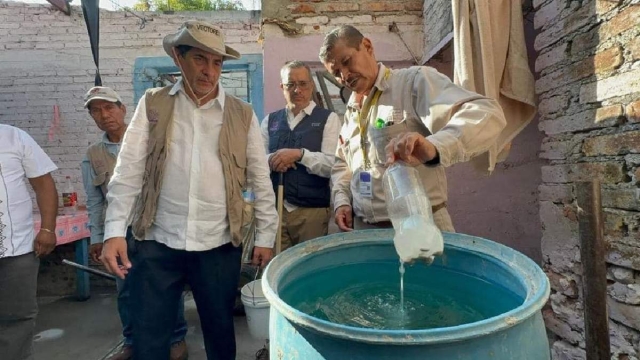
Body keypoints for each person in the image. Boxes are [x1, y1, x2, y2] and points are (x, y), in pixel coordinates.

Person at [100, 20, 278, 360]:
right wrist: (113, 232)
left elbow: (259, 179)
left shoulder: (242, 115)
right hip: (157, 241)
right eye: (200, 59)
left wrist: (266, 237)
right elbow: (128, 171)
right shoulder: (153, 104)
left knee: (220, 333)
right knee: (150, 335)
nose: (209, 71)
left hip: (218, 242)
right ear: (179, 58)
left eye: (216, 62)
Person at [319, 25, 507, 232]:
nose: (344, 76)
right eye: (336, 73)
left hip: (421, 226)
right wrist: (342, 201)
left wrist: (435, 147)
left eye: (346, 62)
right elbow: (342, 164)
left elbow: (485, 113)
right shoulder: (351, 111)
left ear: (367, 46)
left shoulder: (412, 83)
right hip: (365, 230)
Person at [80, 86, 188, 360]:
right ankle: (131, 341)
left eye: (109, 107)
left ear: (123, 109)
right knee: (125, 289)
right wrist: (98, 236)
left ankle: (176, 338)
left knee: (167, 285)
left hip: (156, 225)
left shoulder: (149, 138)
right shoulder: (92, 154)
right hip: (120, 232)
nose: (104, 115)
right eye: (96, 110)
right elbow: (95, 201)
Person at [261, 61, 340, 250]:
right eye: (291, 84)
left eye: (303, 83)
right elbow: (256, 161)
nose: (297, 90)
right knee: (276, 270)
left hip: (311, 212)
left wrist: (300, 155)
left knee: (308, 270)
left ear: (311, 85)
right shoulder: (269, 121)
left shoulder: (328, 119)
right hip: (275, 211)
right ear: (282, 87)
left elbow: (332, 165)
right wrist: (273, 160)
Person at [0, 124, 58, 360]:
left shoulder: (14, 137)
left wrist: (47, 228)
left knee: (17, 317)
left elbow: (44, 184)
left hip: (16, 249)